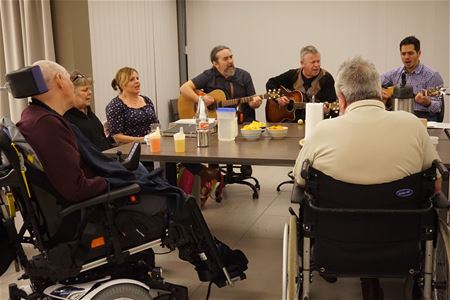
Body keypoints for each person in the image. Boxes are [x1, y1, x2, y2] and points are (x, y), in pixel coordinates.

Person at [16, 60, 248, 285]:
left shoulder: (36, 117)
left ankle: (217, 259)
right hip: (87, 214)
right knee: (177, 200)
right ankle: (219, 265)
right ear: (59, 80)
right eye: (68, 78)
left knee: (162, 188)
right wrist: (118, 182)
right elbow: (76, 188)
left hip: (73, 209)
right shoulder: (46, 125)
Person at [293, 56, 441, 300]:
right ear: (379, 92)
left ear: (340, 97)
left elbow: (300, 180)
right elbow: (435, 184)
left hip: (336, 242)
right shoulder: (413, 125)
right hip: (401, 240)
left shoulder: (323, 131)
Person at [180, 45, 262, 123]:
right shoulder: (208, 75)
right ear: (215, 63)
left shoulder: (244, 76)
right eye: (225, 59)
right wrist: (200, 100)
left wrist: (255, 103)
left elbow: (252, 103)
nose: (230, 61)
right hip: (216, 125)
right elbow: (184, 88)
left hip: (243, 123)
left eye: (231, 57)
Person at [265, 45, 337, 121]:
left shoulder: (326, 78)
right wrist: (278, 98)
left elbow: (332, 106)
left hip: (314, 122)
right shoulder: (293, 75)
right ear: (302, 63)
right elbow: (270, 83)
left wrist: (327, 111)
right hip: (291, 122)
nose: (317, 65)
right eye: (313, 62)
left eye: (318, 61)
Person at [381, 36, 444, 121]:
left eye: (410, 53)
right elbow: (373, 83)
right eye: (403, 54)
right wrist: (381, 92)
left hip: (423, 117)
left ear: (419, 53)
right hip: (399, 117)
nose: (406, 57)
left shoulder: (432, 75)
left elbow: (438, 107)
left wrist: (427, 102)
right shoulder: (394, 73)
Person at [106, 67, 159, 143]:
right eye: (132, 79)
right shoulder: (115, 105)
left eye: (137, 78)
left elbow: (155, 125)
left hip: (152, 144)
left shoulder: (146, 100)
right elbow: (117, 137)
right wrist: (142, 140)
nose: (137, 81)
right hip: (129, 149)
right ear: (122, 84)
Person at [64, 71, 114, 151]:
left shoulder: (90, 114)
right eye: (85, 90)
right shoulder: (68, 120)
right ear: (71, 93)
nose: (90, 92)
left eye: (89, 89)